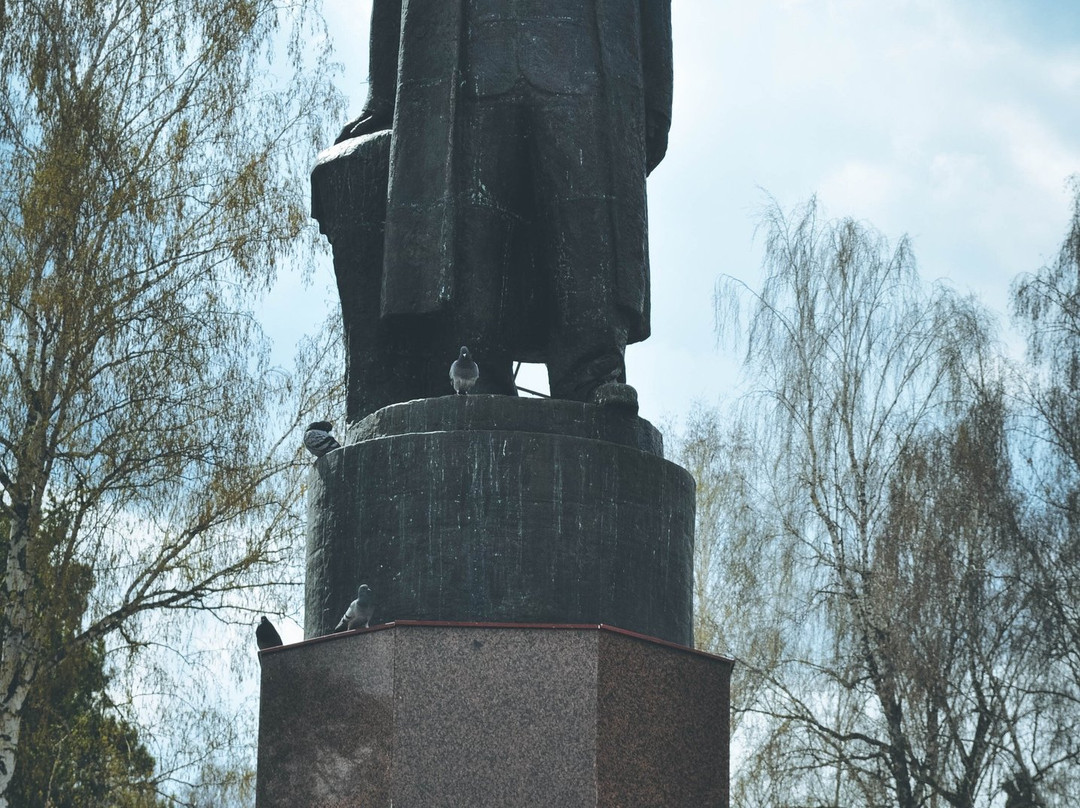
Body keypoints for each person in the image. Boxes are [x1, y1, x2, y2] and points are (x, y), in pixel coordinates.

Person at [336, 0, 672, 401]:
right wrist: (382, 95)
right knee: (469, 228)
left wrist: (655, 100)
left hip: (585, 54)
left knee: (588, 223)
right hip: (466, 50)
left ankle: (594, 373)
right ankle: (477, 374)